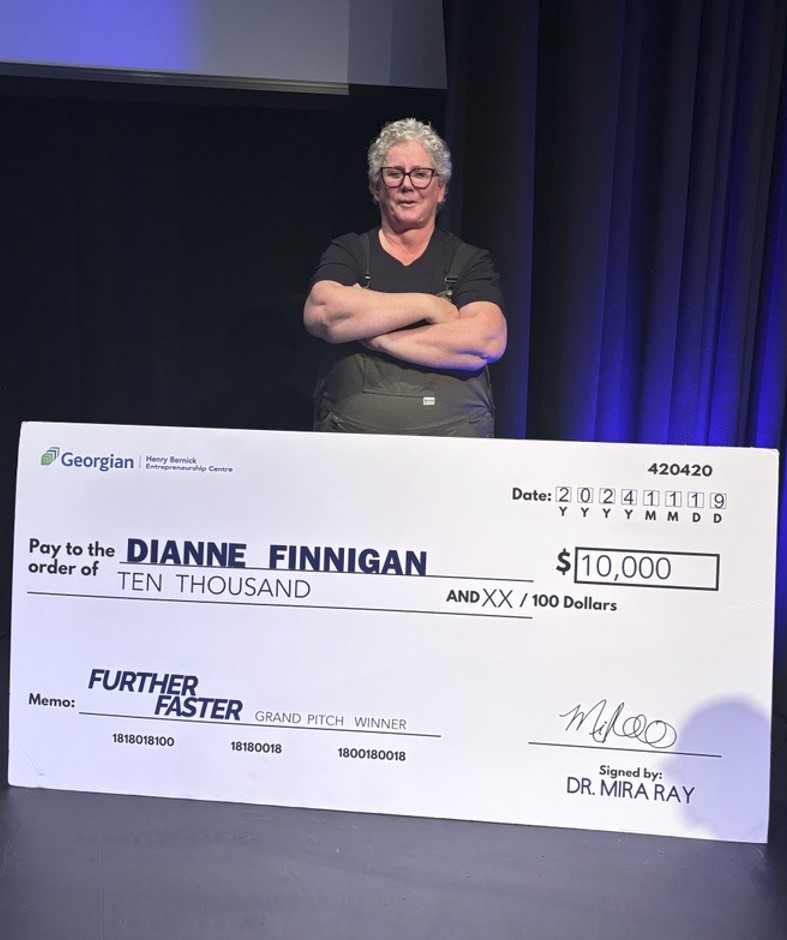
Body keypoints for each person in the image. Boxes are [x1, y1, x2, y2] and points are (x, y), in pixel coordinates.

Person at [304, 118, 507, 436]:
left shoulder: (468, 260)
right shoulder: (352, 252)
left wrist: (380, 337)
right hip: (351, 451)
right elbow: (323, 314)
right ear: (376, 187)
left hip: (451, 453)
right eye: (394, 173)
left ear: (440, 189)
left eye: (421, 174)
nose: (407, 184)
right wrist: (427, 307)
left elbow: (486, 341)